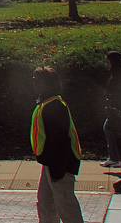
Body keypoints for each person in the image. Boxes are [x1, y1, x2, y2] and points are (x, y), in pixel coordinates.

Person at [31, 66, 83, 223]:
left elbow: (61, 140)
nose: (35, 84)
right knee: (46, 204)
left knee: (66, 207)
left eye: (38, 81)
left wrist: (57, 170)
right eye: (34, 80)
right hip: (51, 164)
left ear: (49, 84)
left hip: (59, 166)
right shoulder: (46, 104)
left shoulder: (54, 107)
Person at [101, 51, 121, 168]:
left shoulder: (117, 74)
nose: (107, 65)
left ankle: (115, 158)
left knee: (110, 128)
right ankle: (114, 157)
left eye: (108, 62)